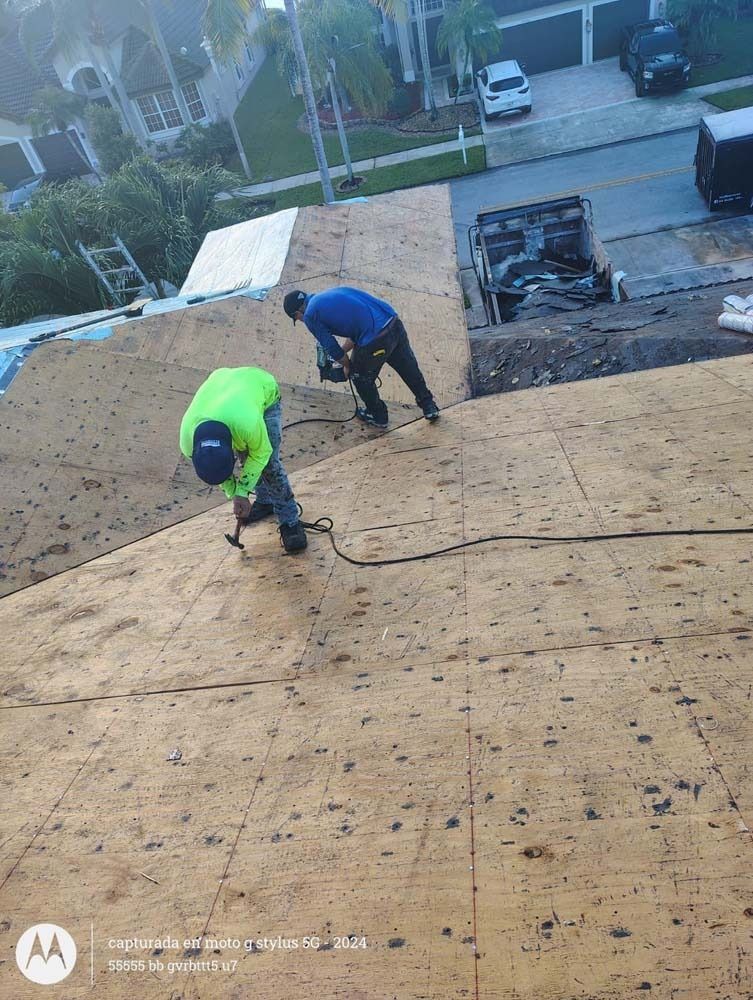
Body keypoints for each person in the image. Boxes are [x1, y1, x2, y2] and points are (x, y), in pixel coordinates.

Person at [179, 367, 307, 553]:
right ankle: (265, 501)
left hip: (260, 387)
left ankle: (290, 521)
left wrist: (243, 490)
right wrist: (236, 494)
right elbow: (218, 470)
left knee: (269, 466)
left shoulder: (246, 423)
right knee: (248, 461)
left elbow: (261, 454)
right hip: (225, 387)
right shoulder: (187, 442)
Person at [283, 286, 440, 430]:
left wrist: (347, 367)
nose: (301, 320)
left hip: (375, 340)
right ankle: (428, 405)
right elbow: (356, 331)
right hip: (393, 324)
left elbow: (332, 349)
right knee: (408, 367)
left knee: (360, 378)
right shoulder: (331, 294)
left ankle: (378, 416)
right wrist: (346, 356)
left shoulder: (310, 315)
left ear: (297, 314)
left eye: (297, 319)